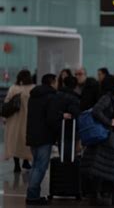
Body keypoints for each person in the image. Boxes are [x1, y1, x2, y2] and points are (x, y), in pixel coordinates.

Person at [81, 76, 114, 206]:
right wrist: (109, 122)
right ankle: (106, 197)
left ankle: (109, 197)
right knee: (108, 168)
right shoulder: (107, 98)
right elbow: (96, 111)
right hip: (109, 139)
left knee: (112, 168)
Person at [26, 74, 66, 205]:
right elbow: (51, 118)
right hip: (44, 136)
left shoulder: (33, 96)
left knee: (35, 166)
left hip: (32, 135)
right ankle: (32, 196)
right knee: (40, 167)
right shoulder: (51, 97)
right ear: (52, 82)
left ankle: (32, 194)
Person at [3, 70, 34, 173]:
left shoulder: (13, 88)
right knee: (25, 141)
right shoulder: (33, 88)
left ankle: (16, 165)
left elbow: (7, 102)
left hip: (13, 120)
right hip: (27, 119)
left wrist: (4, 118)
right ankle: (26, 161)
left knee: (15, 141)